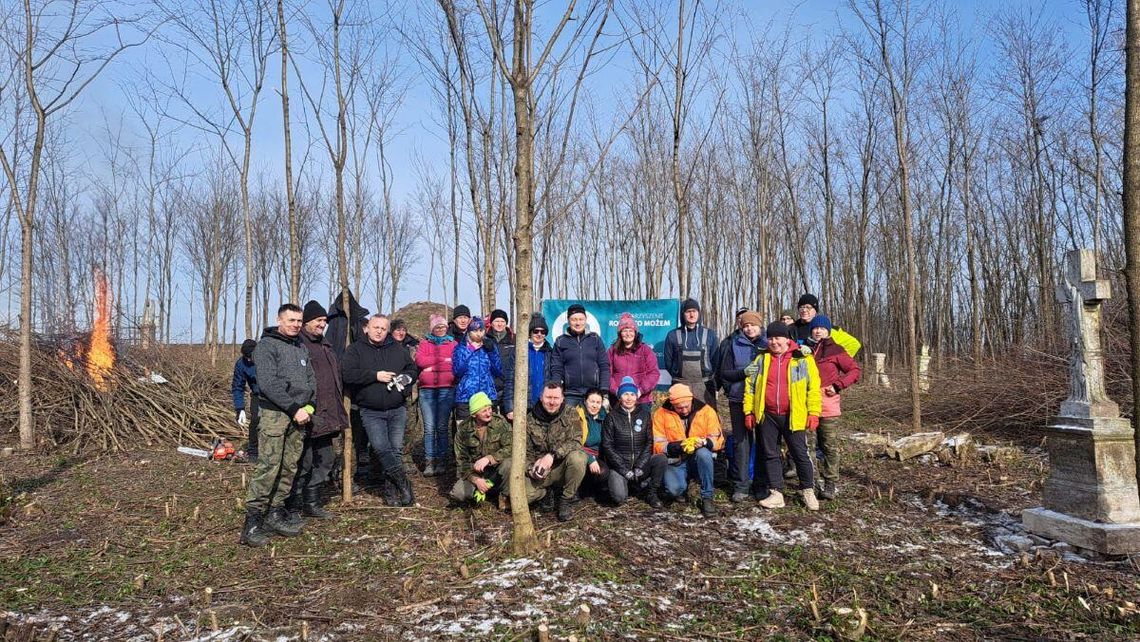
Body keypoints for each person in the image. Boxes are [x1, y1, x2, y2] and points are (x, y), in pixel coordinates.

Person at [240, 303, 316, 547]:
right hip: (276, 415)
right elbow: (268, 383)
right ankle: (252, 522)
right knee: (269, 466)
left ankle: (276, 513)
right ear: (279, 320)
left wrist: (309, 407)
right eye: (291, 320)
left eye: (298, 321)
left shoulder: (301, 347)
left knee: (289, 465)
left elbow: (311, 380)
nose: (295, 325)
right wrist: (294, 409)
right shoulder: (266, 346)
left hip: (301, 416)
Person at [341, 315, 419, 507]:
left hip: (397, 409)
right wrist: (375, 376)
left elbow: (412, 369)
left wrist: (405, 379)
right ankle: (404, 484)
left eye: (383, 329)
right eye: (376, 327)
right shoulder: (355, 350)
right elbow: (347, 374)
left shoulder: (397, 350)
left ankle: (390, 491)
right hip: (370, 410)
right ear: (367, 328)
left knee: (396, 450)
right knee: (381, 448)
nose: (379, 331)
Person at [744, 321, 822, 511]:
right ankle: (776, 493)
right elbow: (751, 386)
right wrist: (749, 411)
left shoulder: (802, 359)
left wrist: (813, 412)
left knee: (800, 453)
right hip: (768, 415)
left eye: (777, 338)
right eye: (770, 338)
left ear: (787, 339)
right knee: (771, 454)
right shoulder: (761, 359)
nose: (774, 342)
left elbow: (813, 388)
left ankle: (808, 490)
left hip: (793, 414)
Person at [286, 301, 349, 521]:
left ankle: (312, 503)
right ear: (306, 322)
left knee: (325, 460)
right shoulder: (298, 345)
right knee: (302, 463)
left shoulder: (326, 345)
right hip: (306, 414)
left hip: (327, 414)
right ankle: (293, 506)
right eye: (318, 320)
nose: (323, 324)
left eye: (324, 321)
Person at [808, 315, 861, 500]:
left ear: (828, 331)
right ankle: (811, 483)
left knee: (829, 445)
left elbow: (855, 371)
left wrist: (838, 385)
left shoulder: (836, 350)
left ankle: (830, 483)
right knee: (809, 445)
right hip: (808, 403)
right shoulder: (807, 350)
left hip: (828, 403)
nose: (818, 331)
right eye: (815, 328)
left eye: (822, 328)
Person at [652, 383, 724, 518]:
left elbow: (718, 440)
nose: (684, 410)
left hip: (698, 458)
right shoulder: (660, 414)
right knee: (674, 490)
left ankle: (707, 497)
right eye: (679, 407)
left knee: (704, 453)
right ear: (672, 404)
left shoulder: (707, 411)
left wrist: (705, 442)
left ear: (691, 400)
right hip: (676, 459)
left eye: (686, 406)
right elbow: (657, 445)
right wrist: (677, 446)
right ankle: (681, 487)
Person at [718, 311, 768, 502]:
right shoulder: (733, 344)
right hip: (738, 399)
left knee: (765, 443)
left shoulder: (768, 343)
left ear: (760, 325)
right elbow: (725, 373)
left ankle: (761, 485)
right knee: (741, 442)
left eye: (753, 325)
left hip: (763, 401)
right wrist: (743, 373)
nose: (749, 328)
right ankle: (741, 485)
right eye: (746, 325)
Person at [524, 382, 588, 521]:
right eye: (548, 397)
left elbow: (576, 441)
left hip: (562, 467)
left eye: (556, 398)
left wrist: (552, 455)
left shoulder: (571, 413)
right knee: (526, 496)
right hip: (540, 471)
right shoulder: (529, 419)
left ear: (562, 398)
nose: (552, 402)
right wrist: (531, 469)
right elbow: (524, 453)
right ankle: (546, 493)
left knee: (579, 458)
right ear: (541, 397)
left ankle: (565, 499)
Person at [325, 289, 370, 488]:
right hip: (339, 386)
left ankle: (355, 471)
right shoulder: (334, 323)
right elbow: (332, 350)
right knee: (338, 431)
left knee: (358, 432)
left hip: (357, 388)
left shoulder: (359, 323)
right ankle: (337, 471)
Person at [601, 376, 665, 508]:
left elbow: (649, 443)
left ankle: (651, 492)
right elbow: (607, 446)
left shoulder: (645, 415)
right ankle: (628, 485)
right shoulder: (611, 417)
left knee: (661, 459)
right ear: (620, 397)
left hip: (639, 466)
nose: (629, 398)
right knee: (619, 498)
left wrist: (640, 467)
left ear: (636, 397)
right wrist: (624, 470)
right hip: (620, 468)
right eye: (625, 394)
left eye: (632, 394)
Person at [450, 392, 512, 505]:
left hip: (497, 471)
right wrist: (476, 480)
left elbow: (510, 447)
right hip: (476, 473)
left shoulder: (500, 422)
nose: (489, 413)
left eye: (490, 409)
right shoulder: (463, 430)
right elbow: (461, 462)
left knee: (509, 464)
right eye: (484, 411)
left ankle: (503, 494)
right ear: (474, 414)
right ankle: (482, 490)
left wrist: (490, 458)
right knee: (458, 494)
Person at [415, 314, 457, 477]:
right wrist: (442, 360)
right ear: (432, 329)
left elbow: (453, 364)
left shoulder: (453, 343)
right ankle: (429, 461)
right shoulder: (424, 343)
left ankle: (441, 460)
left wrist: (432, 367)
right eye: (437, 327)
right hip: (427, 390)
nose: (440, 329)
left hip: (446, 389)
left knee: (441, 427)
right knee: (429, 427)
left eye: (443, 327)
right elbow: (420, 361)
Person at [549, 303, 610, 408]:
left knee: (594, 424)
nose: (578, 323)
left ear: (585, 320)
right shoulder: (560, 341)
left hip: (593, 394)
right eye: (574, 319)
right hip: (570, 395)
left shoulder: (595, 339)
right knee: (570, 423)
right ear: (568, 321)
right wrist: (557, 389)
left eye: (581, 319)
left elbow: (604, 366)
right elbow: (556, 368)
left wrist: (603, 389)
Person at [664, 298, 720, 406]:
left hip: (705, 385)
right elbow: (668, 362)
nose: (691, 314)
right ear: (683, 314)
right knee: (681, 418)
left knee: (707, 419)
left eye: (694, 311)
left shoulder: (709, 334)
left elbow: (715, 360)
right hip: (680, 384)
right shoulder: (673, 335)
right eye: (688, 312)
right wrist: (679, 376)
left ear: (698, 313)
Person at [452, 317, 503, 421]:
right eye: (475, 330)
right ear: (469, 331)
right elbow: (457, 371)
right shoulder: (460, 348)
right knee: (465, 431)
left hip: (487, 395)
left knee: (489, 432)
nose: (479, 334)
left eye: (481, 330)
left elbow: (498, 370)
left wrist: (492, 351)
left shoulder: (489, 346)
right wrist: (470, 350)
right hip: (466, 397)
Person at [503, 314, 551, 421]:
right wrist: (509, 407)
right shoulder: (519, 351)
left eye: (542, 332)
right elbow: (510, 380)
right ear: (530, 332)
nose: (539, 334)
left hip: (544, 405)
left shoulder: (550, 353)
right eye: (536, 331)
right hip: (523, 405)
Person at [607, 313, 660, 410]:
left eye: (631, 330)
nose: (628, 334)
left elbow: (654, 373)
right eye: (624, 330)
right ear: (620, 333)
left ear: (635, 332)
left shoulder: (645, 350)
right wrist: (617, 390)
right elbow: (606, 373)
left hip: (642, 400)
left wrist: (640, 390)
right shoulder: (612, 351)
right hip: (618, 399)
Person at [576, 388, 609, 497]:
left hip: (599, 454)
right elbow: (574, 443)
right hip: (581, 453)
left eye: (598, 402)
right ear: (585, 401)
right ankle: (579, 489)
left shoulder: (605, 417)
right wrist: (590, 459)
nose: (595, 406)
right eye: (592, 401)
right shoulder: (577, 415)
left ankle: (593, 490)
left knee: (603, 472)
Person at [232, 339, 260, 463]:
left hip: (275, 393)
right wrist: (240, 408)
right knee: (255, 421)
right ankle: (253, 451)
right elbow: (237, 387)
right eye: (246, 357)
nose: (249, 360)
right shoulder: (241, 364)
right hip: (257, 395)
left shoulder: (267, 358)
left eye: (251, 357)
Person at [487, 309, 515, 415]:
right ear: (491, 323)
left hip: (508, 386)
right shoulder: (485, 339)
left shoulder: (514, 339)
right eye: (496, 321)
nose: (499, 324)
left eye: (502, 321)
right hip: (490, 386)